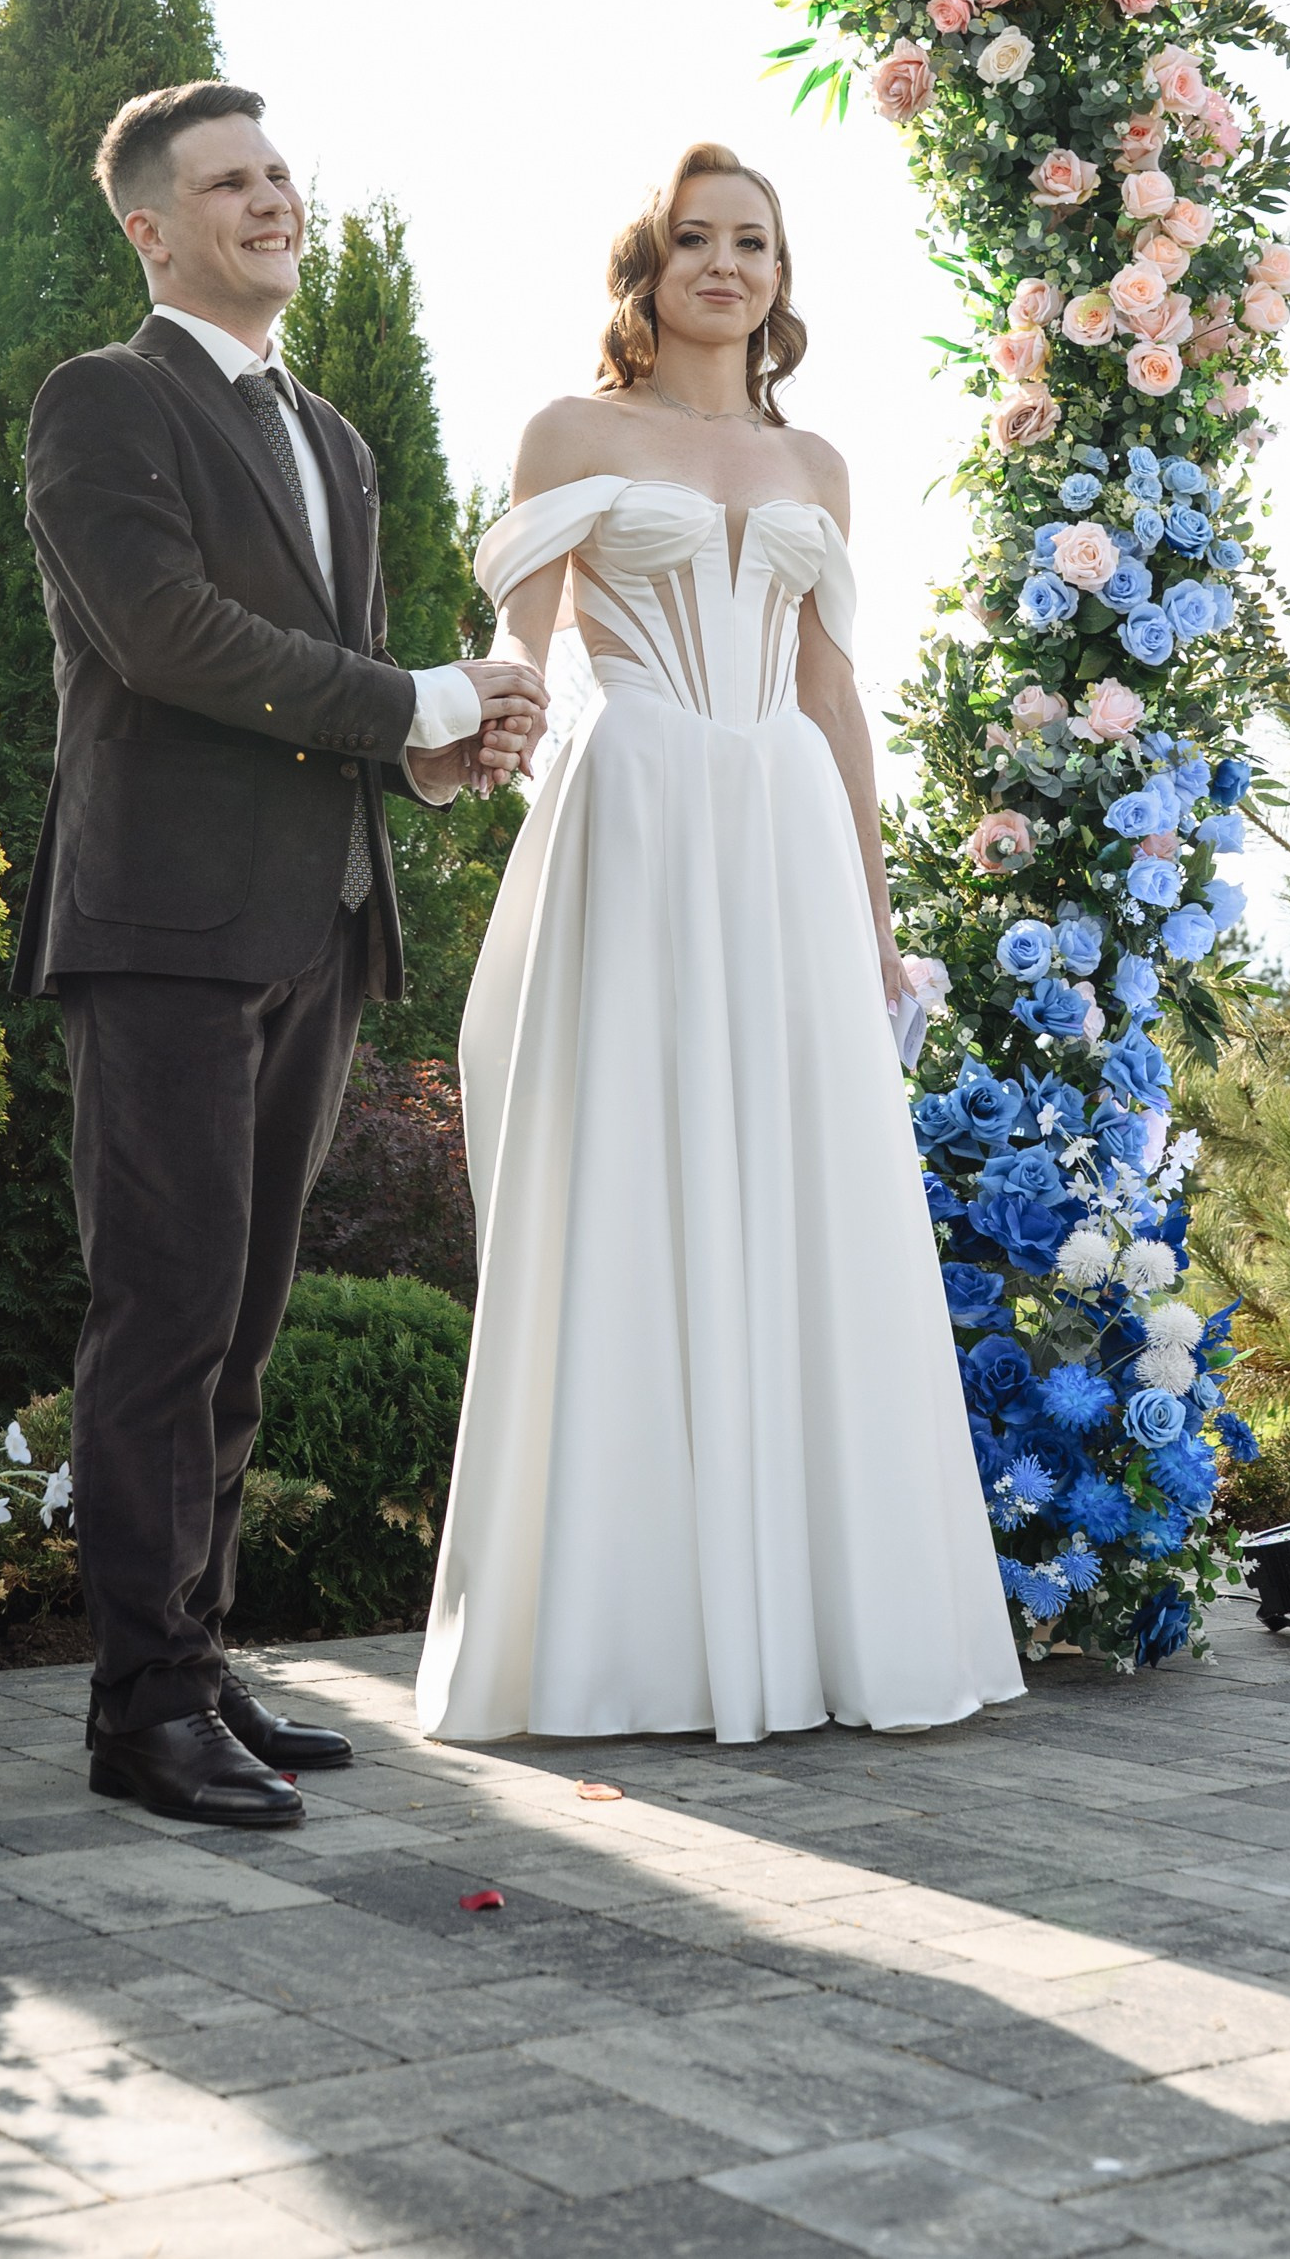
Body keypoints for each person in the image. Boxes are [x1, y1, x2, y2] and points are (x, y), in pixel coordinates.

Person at [415, 141, 1023, 1747]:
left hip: (785, 830)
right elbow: (515, 640)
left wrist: (875, 927)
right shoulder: (573, 433)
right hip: (636, 805)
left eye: (752, 240)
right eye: (694, 239)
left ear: (779, 275)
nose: (725, 264)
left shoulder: (816, 462)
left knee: (803, 1182)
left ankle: (822, 1624)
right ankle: (629, 1637)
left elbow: (831, 697)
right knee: (637, 1165)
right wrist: (477, 730)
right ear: (647, 268)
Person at [18, 80, 549, 1825]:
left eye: (277, 173)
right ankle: (140, 1711)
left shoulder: (330, 436)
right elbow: (165, 636)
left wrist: (425, 757)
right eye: (226, 183)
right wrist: (415, 698)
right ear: (149, 228)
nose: (268, 200)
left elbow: (326, 690)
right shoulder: (105, 399)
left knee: (239, 1330)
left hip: (316, 917)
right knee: (163, 1316)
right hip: (162, 926)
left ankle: (199, 1656)